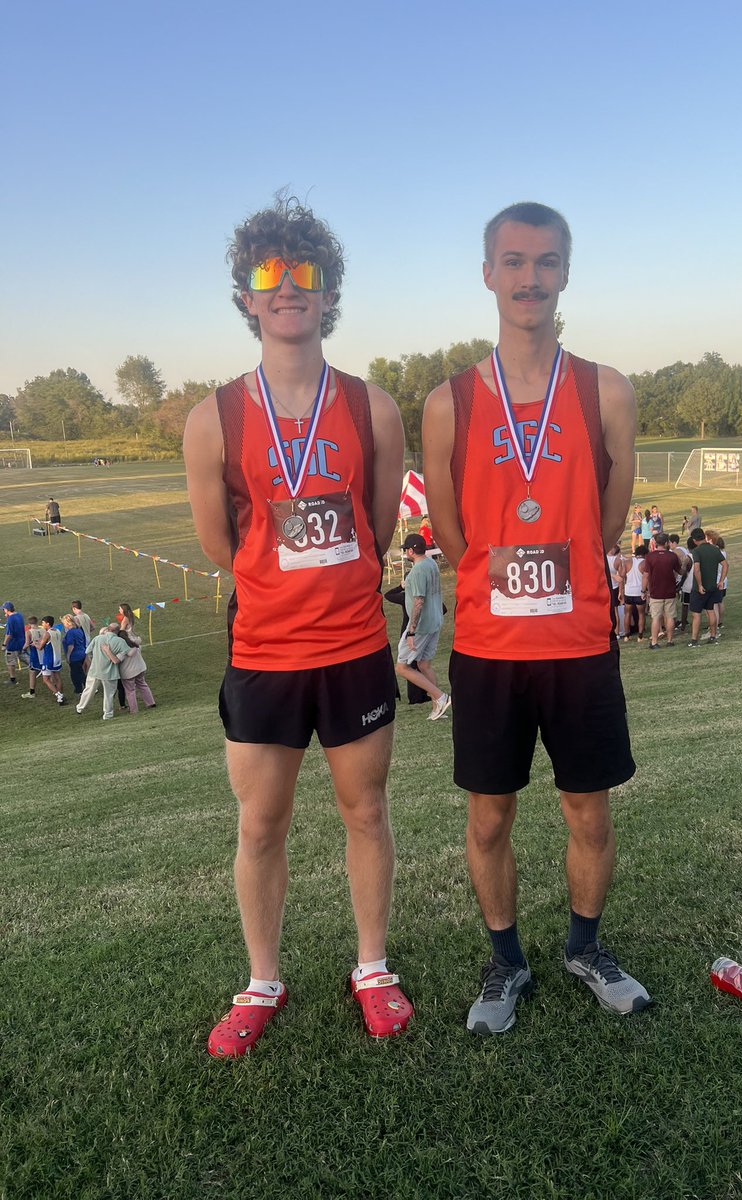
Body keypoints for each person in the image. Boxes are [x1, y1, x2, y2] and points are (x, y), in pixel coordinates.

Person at [183, 195, 411, 1056]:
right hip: (265, 652)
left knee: (367, 811)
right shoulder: (212, 418)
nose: (287, 287)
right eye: (268, 273)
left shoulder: (372, 408)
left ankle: (373, 968)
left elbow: (377, 529)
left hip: (353, 646)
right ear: (247, 295)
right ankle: (261, 981)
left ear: (328, 290)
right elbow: (220, 544)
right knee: (259, 826)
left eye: (303, 271)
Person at [422, 201, 649, 1036]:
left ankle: (585, 948)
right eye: (514, 261)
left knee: (589, 811)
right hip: (490, 649)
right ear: (488, 274)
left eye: (546, 261)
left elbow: (610, 518)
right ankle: (506, 961)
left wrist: (567, 565)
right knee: (490, 817)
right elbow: (450, 532)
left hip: (579, 643)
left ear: (565, 273)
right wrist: (497, 574)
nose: (530, 277)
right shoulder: (447, 402)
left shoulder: (606, 389)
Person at [394, 532, 450, 719]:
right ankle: (437, 707)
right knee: (424, 664)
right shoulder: (431, 564)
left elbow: (419, 601)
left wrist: (411, 631)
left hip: (422, 625)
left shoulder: (418, 570)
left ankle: (440, 697)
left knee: (401, 667)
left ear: (411, 551)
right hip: (435, 620)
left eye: (406, 550)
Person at [77, 622, 130, 717]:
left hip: (95, 670)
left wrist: (96, 656)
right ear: (117, 631)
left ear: (108, 629)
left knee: (88, 690)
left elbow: (87, 651)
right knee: (109, 694)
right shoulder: (121, 642)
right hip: (110, 673)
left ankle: (80, 707)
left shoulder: (98, 638)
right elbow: (122, 657)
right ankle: (108, 713)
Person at [640, 533, 680, 648]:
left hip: (655, 592)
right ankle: (669, 640)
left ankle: (654, 642)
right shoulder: (672, 556)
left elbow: (646, 575)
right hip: (670, 591)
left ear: (655, 543)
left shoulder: (650, 556)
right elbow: (679, 571)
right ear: (666, 543)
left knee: (656, 617)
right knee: (670, 616)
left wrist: (643, 591)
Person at [688, 528, 726, 646]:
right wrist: (721, 581)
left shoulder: (696, 551)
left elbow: (697, 569)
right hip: (712, 586)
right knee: (711, 611)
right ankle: (713, 636)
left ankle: (694, 640)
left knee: (696, 614)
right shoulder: (715, 549)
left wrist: (699, 585)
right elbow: (725, 565)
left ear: (694, 540)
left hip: (699, 588)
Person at [119, 631, 156, 713]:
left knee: (130, 691)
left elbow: (118, 659)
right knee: (143, 685)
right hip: (140, 668)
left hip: (128, 673)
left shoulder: (121, 648)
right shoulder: (135, 644)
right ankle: (151, 703)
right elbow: (138, 639)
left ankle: (134, 709)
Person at [36, 617, 66, 704]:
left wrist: (34, 644)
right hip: (57, 658)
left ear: (47, 623)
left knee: (45, 679)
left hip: (49, 659)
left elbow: (40, 647)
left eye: (43, 623)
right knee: (57, 677)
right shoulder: (57, 631)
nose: (42, 624)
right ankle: (60, 695)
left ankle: (58, 695)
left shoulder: (47, 634)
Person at [622, 544, 648, 641]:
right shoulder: (645, 563)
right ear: (645, 554)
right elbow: (647, 578)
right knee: (641, 614)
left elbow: (622, 576)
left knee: (627, 614)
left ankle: (626, 635)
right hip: (639, 592)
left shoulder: (627, 562)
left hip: (628, 591)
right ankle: (640, 636)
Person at [61, 614, 88, 697]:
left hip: (75, 656)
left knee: (75, 674)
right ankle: (87, 686)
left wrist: (68, 656)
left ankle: (79, 689)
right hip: (82, 653)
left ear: (68, 623)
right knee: (80, 672)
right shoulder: (79, 630)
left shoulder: (70, 632)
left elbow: (71, 646)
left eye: (64, 623)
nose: (64, 625)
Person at [2, 601, 26, 685]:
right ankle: (37, 668)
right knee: (24, 657)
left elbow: (9, 635)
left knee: (10, 662)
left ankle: (13, 679)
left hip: (12, 644)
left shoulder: (10, 619)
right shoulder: (19, 615)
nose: (3, 611)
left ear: (7, 609)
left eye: (4, 609)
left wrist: (4, 644)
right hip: (22, 642)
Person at [21, 617, 42, 699]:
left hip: (35, 654)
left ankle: (32, 692)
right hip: (43, 653)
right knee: (48, 672)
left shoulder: (28, 632)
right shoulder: (43, 630)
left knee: (32, 672)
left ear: (29, 624)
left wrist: (23, 649)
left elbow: (27, 644)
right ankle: (56, 690)